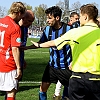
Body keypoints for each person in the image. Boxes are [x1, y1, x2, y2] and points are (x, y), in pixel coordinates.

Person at [31, 4, 100, 100]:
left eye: (79, 17)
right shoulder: (48, 29)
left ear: (85, 17)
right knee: (43, 87)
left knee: (69, 93)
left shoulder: (73, 31)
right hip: (95, 78)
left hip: (73, 73)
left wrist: (39, 45)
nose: (78, 19)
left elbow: (54, 42)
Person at [24, 6, 73, 100]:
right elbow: (40, 43)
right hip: (52, 66)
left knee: (69, 94)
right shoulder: (47, 29)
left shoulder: (69, 29)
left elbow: (76, 46)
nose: (47, 20)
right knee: (42, 89)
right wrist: (26, 48)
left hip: (66, 67)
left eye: (49, 18)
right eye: (47, 18)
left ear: (57, 18)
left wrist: (73, 61)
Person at [0, 2, 26, 100]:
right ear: (19, 13)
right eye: (22, 15)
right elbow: (15, 48)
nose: (22, 18)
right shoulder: (15, 27)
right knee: (11, 92)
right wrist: (19, 67)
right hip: (8, 64)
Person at [54, 11, 80, 100]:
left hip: (72, 58)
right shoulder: (67, 28)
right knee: (63, 79)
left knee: (69, 81)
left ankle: (64, 96)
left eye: (78, 19)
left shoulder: (77, 28)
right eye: (76, 19)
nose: (77, 20)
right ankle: (57, 95)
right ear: (71, 18)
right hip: (64, 59)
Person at [19, 10, 35, 80]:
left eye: (32, 21)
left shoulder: (25, 28)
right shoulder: (15, 27)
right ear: (23, 18)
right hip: (11, 61)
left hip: (20, 58)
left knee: (17, 82)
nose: (30, 24)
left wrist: (22, 60)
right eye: (29, 21)